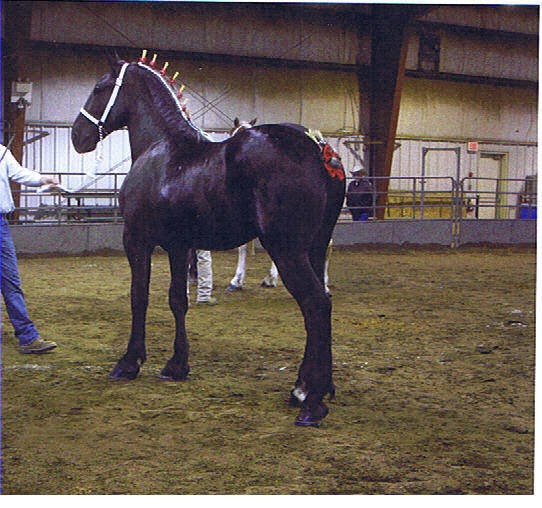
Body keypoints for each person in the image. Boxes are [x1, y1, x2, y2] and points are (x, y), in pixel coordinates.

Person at [1, 143, 59, 353]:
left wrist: (42, 179)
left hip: (1, 225)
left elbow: (19, 173)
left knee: (11, 282)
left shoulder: (1, 152)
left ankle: (28, 337)